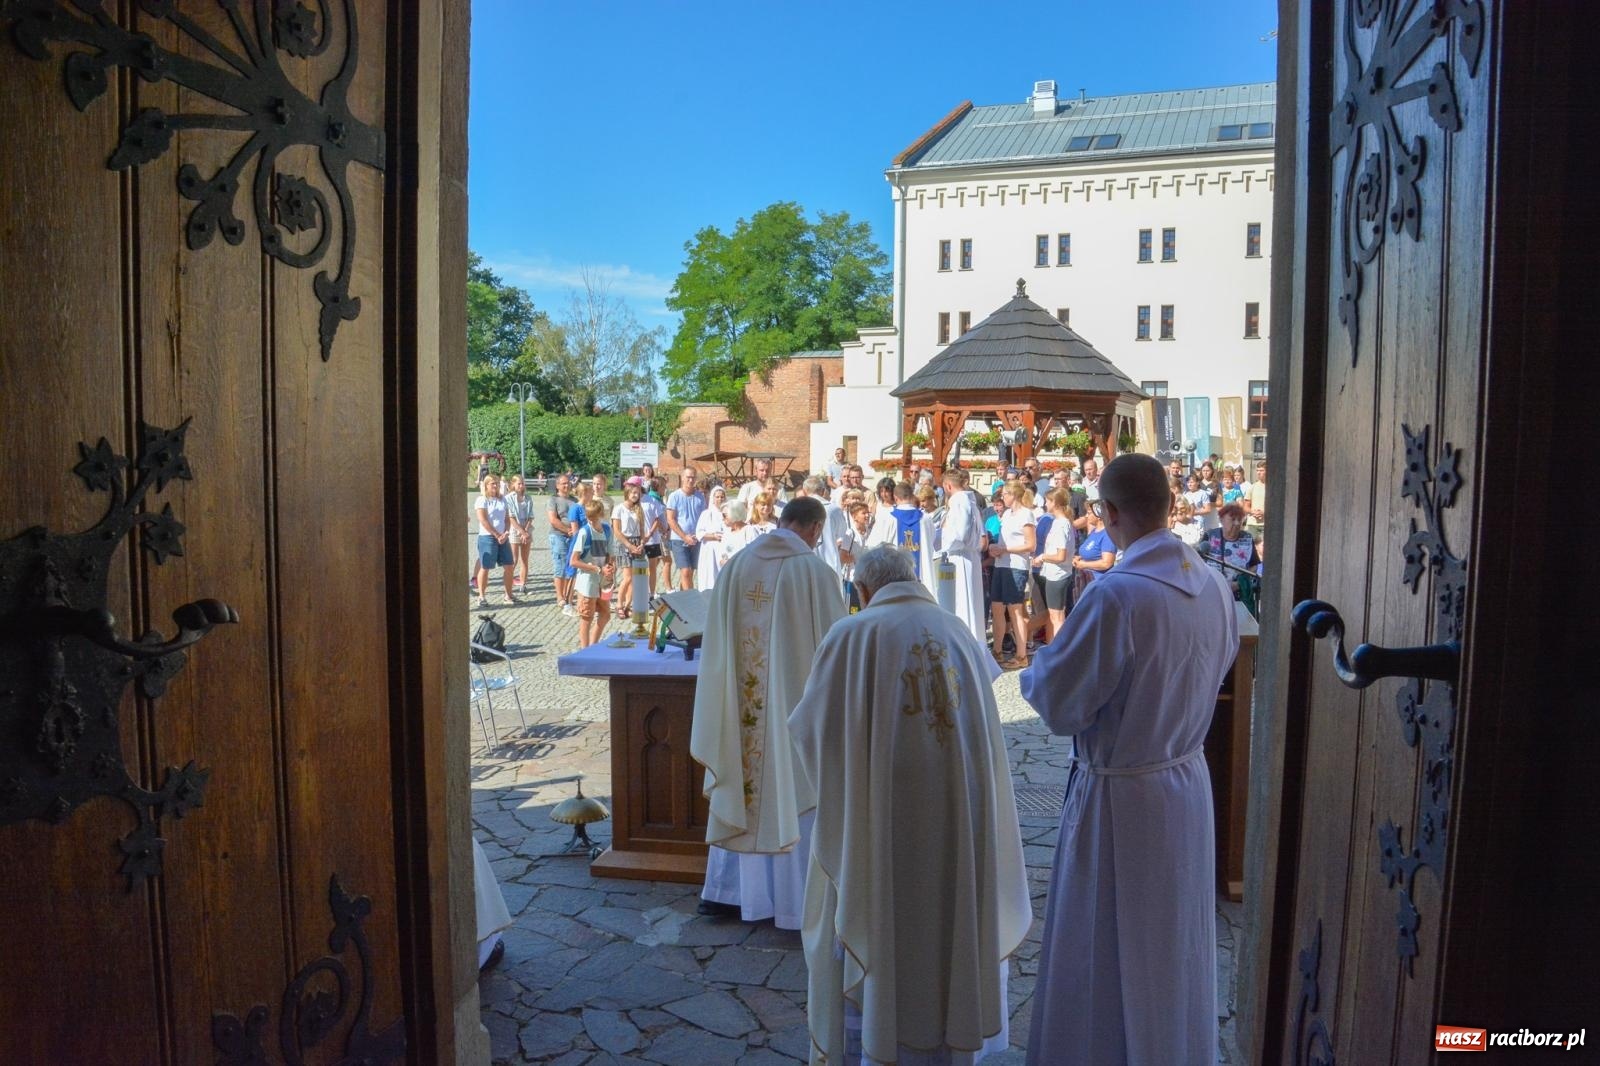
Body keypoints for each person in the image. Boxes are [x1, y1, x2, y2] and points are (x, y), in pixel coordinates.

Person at [1019, 453, 1238, 1064]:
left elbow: (1059, 702)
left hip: (1119, 794)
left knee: (1106, 942)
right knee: (1173, 943)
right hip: (1185, 783)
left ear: (1108, 513)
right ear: (1169, 505)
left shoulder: (1117, 597)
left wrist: (1038, 665)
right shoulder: (1214, 585)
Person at [788, 546, 1031, 1066]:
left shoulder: (852, 635)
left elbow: (809, 733)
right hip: (958, 814)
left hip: (882, 821)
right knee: (951, 917)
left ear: (863, 591)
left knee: (879, 915)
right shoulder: (959, 631)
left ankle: (879, 1041)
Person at [690, 497, 846, 927]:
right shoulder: (816, 573)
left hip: (741, 708)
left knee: (741, 784)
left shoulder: (738, 565)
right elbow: (836, 651)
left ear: (783, 521)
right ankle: (795, 906)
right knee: (793, 790)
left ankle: (727, 894)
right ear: (815, 529)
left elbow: (716, 644)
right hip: (796, 712)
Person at [986, 481, 1036, 668]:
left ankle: (1021, 654)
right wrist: (995, 548)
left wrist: (1005, 549)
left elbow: (1031, 545)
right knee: (997, 607)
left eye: (1005, 494)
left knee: (1015, 610)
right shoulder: (1007, 514)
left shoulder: (1026, 514)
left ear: (1013, 494)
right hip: (1001, 564)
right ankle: (997, 651)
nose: (1002, 498)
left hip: (1016, 566)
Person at [936, 468, 987, 643]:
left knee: (962, 602)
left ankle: (964, 643)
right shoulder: (968, 501)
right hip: (966, 556)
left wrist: (938, 542)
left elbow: (960, 535)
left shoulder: (959, 502)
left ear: (948, 486)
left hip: (959, 556)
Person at [568, 499, 615, 648]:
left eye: (594, 517)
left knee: (606, 614)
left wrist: (610, 567)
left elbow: (611, 554)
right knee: (586, 617)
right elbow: (573, 561)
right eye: (589, 517)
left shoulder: (607, 530)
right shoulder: (584, 532)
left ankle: (594, 645)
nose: (591, 520)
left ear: (601, 514)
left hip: (603, 581)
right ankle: (585, 649)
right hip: (587, 582)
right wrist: (597, 568)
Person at [1034, 487, 1075, 641]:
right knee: (1057, 614)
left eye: (1047, 501)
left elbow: (1060, 556)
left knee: (1056, 616)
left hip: (1057, 575)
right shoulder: (1061, 522)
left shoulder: (1061, 524)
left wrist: (1043, 557)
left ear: (1055, 503)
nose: (1045, 504)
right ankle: (1056, 648)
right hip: (1057, 573)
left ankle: (1060, 650)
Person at [474, 474, 517, 609]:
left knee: (509, 565)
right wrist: (496, 534)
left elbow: (506, 519)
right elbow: (483, 520)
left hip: (503, 537)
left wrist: (506, 532)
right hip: (487, 537)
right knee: (485, 567)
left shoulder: (503, 499)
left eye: (497, 483)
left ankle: (508, 595)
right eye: (493, 483)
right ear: (486, 485)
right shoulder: (482, 500)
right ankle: (481, 596)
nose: (495, 485)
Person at [666, 467, 708, 591]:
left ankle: (682, 598)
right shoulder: (674, 496)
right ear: (682, 478)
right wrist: (685, 536)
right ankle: (691, 601)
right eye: (688, 477)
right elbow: (671, 519)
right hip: (679, 539)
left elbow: (704, 517)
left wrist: (698, 535)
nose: (690, 480)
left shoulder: (700, 496)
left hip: (696, 539)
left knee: (690, 573)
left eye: (693, 477)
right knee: (685, 571)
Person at [611, 480, 649, 613]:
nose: (635, 496)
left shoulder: (639, 509)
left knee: (636, 578)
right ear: (627, 493)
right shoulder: (619, 509)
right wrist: (629, 545)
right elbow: (616, 530)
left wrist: (642, 543)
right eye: (633, 493)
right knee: (627, 578)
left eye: (637, 493)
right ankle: (619, 604)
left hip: (637, 543)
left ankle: (628, 604)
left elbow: (642, 529)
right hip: (624, 542)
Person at [888, 481, 935, 580]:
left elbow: (875, 547)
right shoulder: (925, 518)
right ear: (912, 496)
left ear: (895, 498)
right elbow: (933, 541)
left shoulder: (888, 518)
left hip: (894, 579)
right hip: (922, 577)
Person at [546, 474, 575, 614]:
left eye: (568, 483)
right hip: (558, 536)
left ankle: (567, 594)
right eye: (563, 483)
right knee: (560, 566)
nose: (567, 485)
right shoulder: (553, 500)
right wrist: (567, 530)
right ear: (557, 485)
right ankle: (560, 596)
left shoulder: (574, 500)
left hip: (573, 537)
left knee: (571, 566)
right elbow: (553, 519)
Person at [1073, 502, 1116, 594]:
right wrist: (1080, 558)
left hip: (1098, 583)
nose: (1086, 516)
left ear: (1099, 516)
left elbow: (1107, 563)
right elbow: (1092, 552)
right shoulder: (1094, 532)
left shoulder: (1107, 535)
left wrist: (1084, 564)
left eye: (1089, 513)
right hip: (1087, 581)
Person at [694, 484, 730, 589]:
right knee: (710, 577)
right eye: (717, 497)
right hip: (710, 550)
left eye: (722, 497)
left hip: (724, 549)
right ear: (713, 499)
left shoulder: (728, 514)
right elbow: (699, 533)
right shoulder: (707, 514)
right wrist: (714, 536)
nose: (720, 499)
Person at [504, 473, 534, 592]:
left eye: (523, 483)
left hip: (526, 529)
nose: (521, 486)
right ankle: (508, 587)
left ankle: (523, 584)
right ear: (513, 485)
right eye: (519, 484)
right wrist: (521, 531)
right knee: (513, 560)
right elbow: (511, 518)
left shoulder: (528, 497)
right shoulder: (509, 498)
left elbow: (531, 516)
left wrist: (526, 531)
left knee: (525, 559)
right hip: (514, 530)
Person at [640, 477, 667, 593]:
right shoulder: (653, 499)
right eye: (664, 486)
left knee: (651, 567)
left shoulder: (654, 499)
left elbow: (658, 519)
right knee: (648, 569)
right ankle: (646, 593)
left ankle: (649, 594)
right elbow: (659, 520)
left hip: (652, 538)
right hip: (648, 538)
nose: (665, 489)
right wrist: (664, 530)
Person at [1246, 460, 1268, 542]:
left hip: (1266, 523)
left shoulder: (1272, 488)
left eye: (1261, 470)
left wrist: (1263, 512)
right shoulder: (1252, 487)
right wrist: (1253, 512)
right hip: (1253, 524)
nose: (1259, 473)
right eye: (1257, 470)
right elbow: (1246, 506)